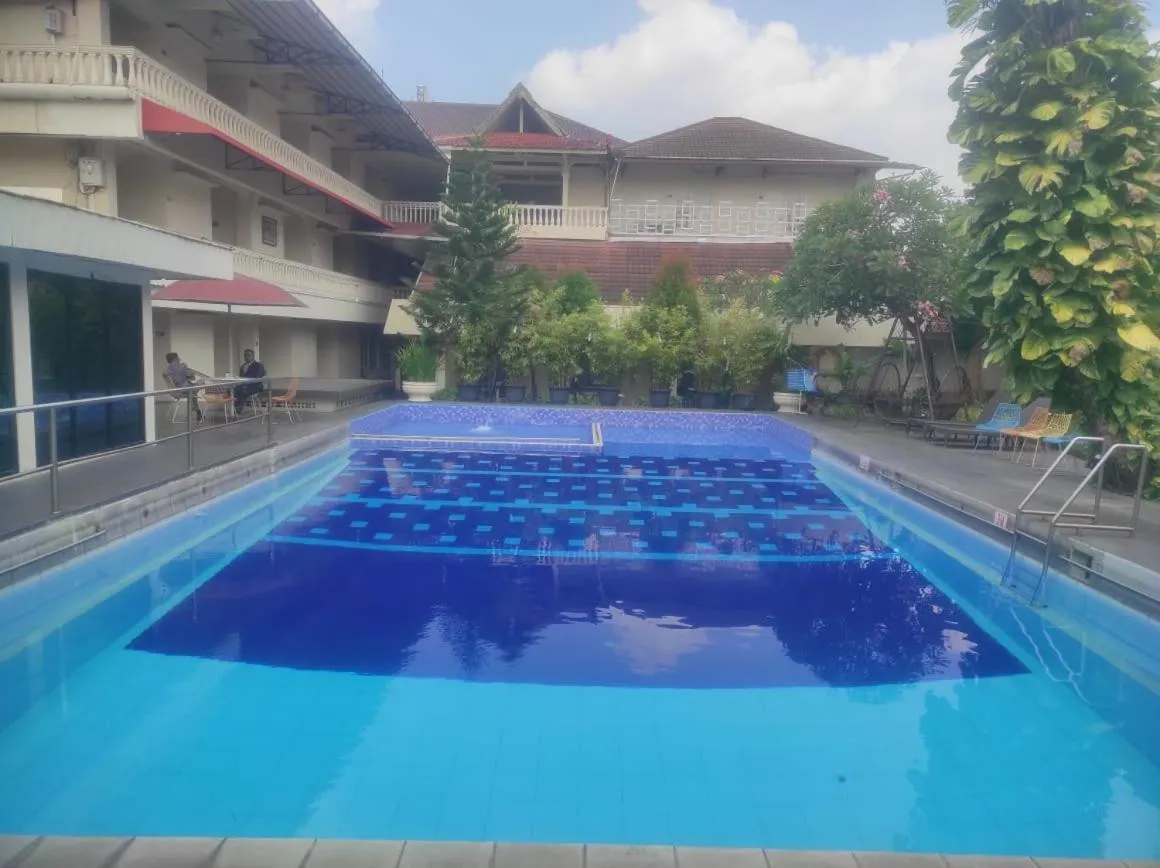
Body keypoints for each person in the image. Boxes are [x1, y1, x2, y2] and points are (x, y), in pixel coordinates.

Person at [164, 352, 203, 422]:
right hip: (184, 388)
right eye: (177, 358)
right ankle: (196, 409)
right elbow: (192, 378)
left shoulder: (167, 369)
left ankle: (197, 410)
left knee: (192, 393)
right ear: (175, 359)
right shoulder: (182, 366)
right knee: (201, 382)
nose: (179, 359)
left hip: (176, 391)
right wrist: (188, 370)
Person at [235, 349, 267, 413]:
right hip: (244, 385)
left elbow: (258, 377)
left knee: (242, 390)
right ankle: (235, 408)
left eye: (249, 355)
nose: (247, 357)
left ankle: (238, 409)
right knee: (232, 390)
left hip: (255, 386)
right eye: (245, 355)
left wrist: (247, 382)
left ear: (253, 356)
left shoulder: (258, 365)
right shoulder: (243, 366)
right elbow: (241, 378)